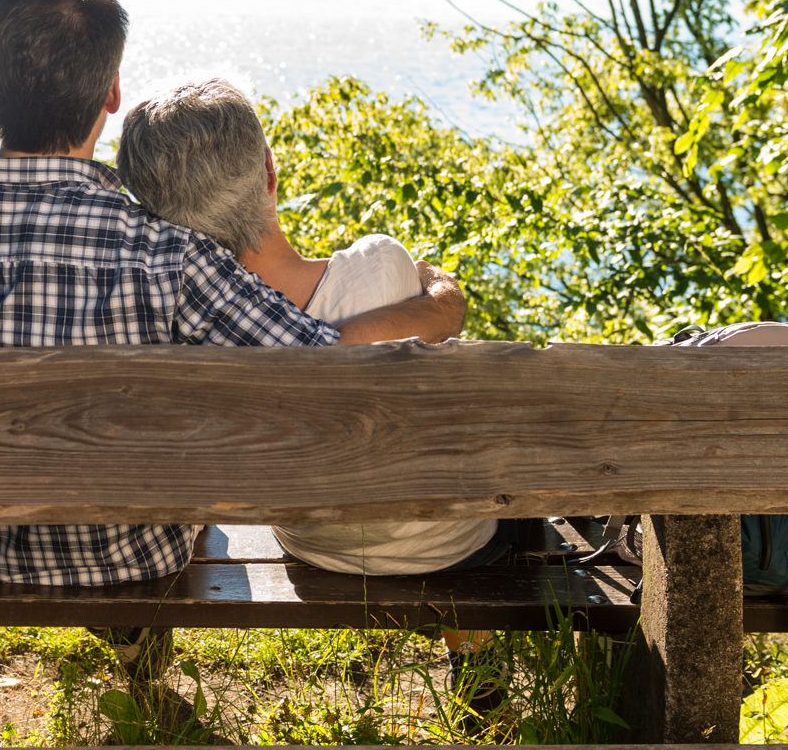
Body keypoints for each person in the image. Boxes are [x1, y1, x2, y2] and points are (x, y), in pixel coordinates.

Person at [0, 0, 468, 700]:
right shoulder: (163, 252)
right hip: (127, 551)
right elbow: (326, 374)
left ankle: (135, 661)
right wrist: (438, 306)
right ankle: (140, 651)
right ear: (111, 95)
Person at [112, 77, 528, 578]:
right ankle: (471, 651)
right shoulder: (381, 265)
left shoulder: (173, 317)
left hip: (313, 545)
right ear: (268, 170)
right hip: (446, 545)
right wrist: (441, 290)